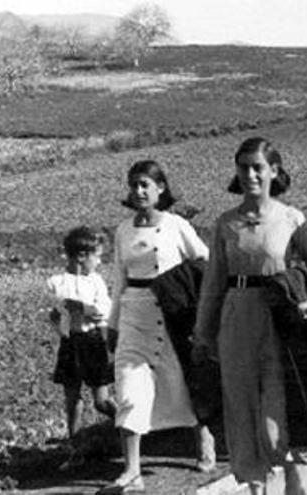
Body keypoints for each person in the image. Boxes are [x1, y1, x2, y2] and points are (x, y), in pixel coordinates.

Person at [192, 137, 307, 495]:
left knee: (277, 411)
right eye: (243, 167)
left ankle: (290, 478)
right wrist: (203, 334)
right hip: (237, 319)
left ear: (274, 171)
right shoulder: (226, 224)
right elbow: (214, 283)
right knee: (240, 404)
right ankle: (256, 484)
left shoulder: (291, 218)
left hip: (281, 321)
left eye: (257, 167)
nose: (250, 174)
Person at [103, 160, 216, 493]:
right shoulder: (124, 230)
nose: (138, 192)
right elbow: (119, 279)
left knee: (182, 380)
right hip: (134, 314)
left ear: (160, 188)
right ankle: (132, 471)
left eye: (145, 185)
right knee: (128, 386)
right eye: (134, 185)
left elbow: (206, 262)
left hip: (173, 313)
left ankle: (204, 437)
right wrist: (113, 324)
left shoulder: (176, 225)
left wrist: (190, 295)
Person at [47, 226, 117, 471]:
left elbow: (101, 312)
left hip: (93, 342)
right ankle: (76, 448)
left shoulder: (95, 282)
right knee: (72, 398)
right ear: (81, 256)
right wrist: (65, 314)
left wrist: (79, 307)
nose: (98, 262)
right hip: (70, 343)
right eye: (96, 256)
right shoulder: (57, 282)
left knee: (101, 400)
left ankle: (128, 427)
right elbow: (57, 311)